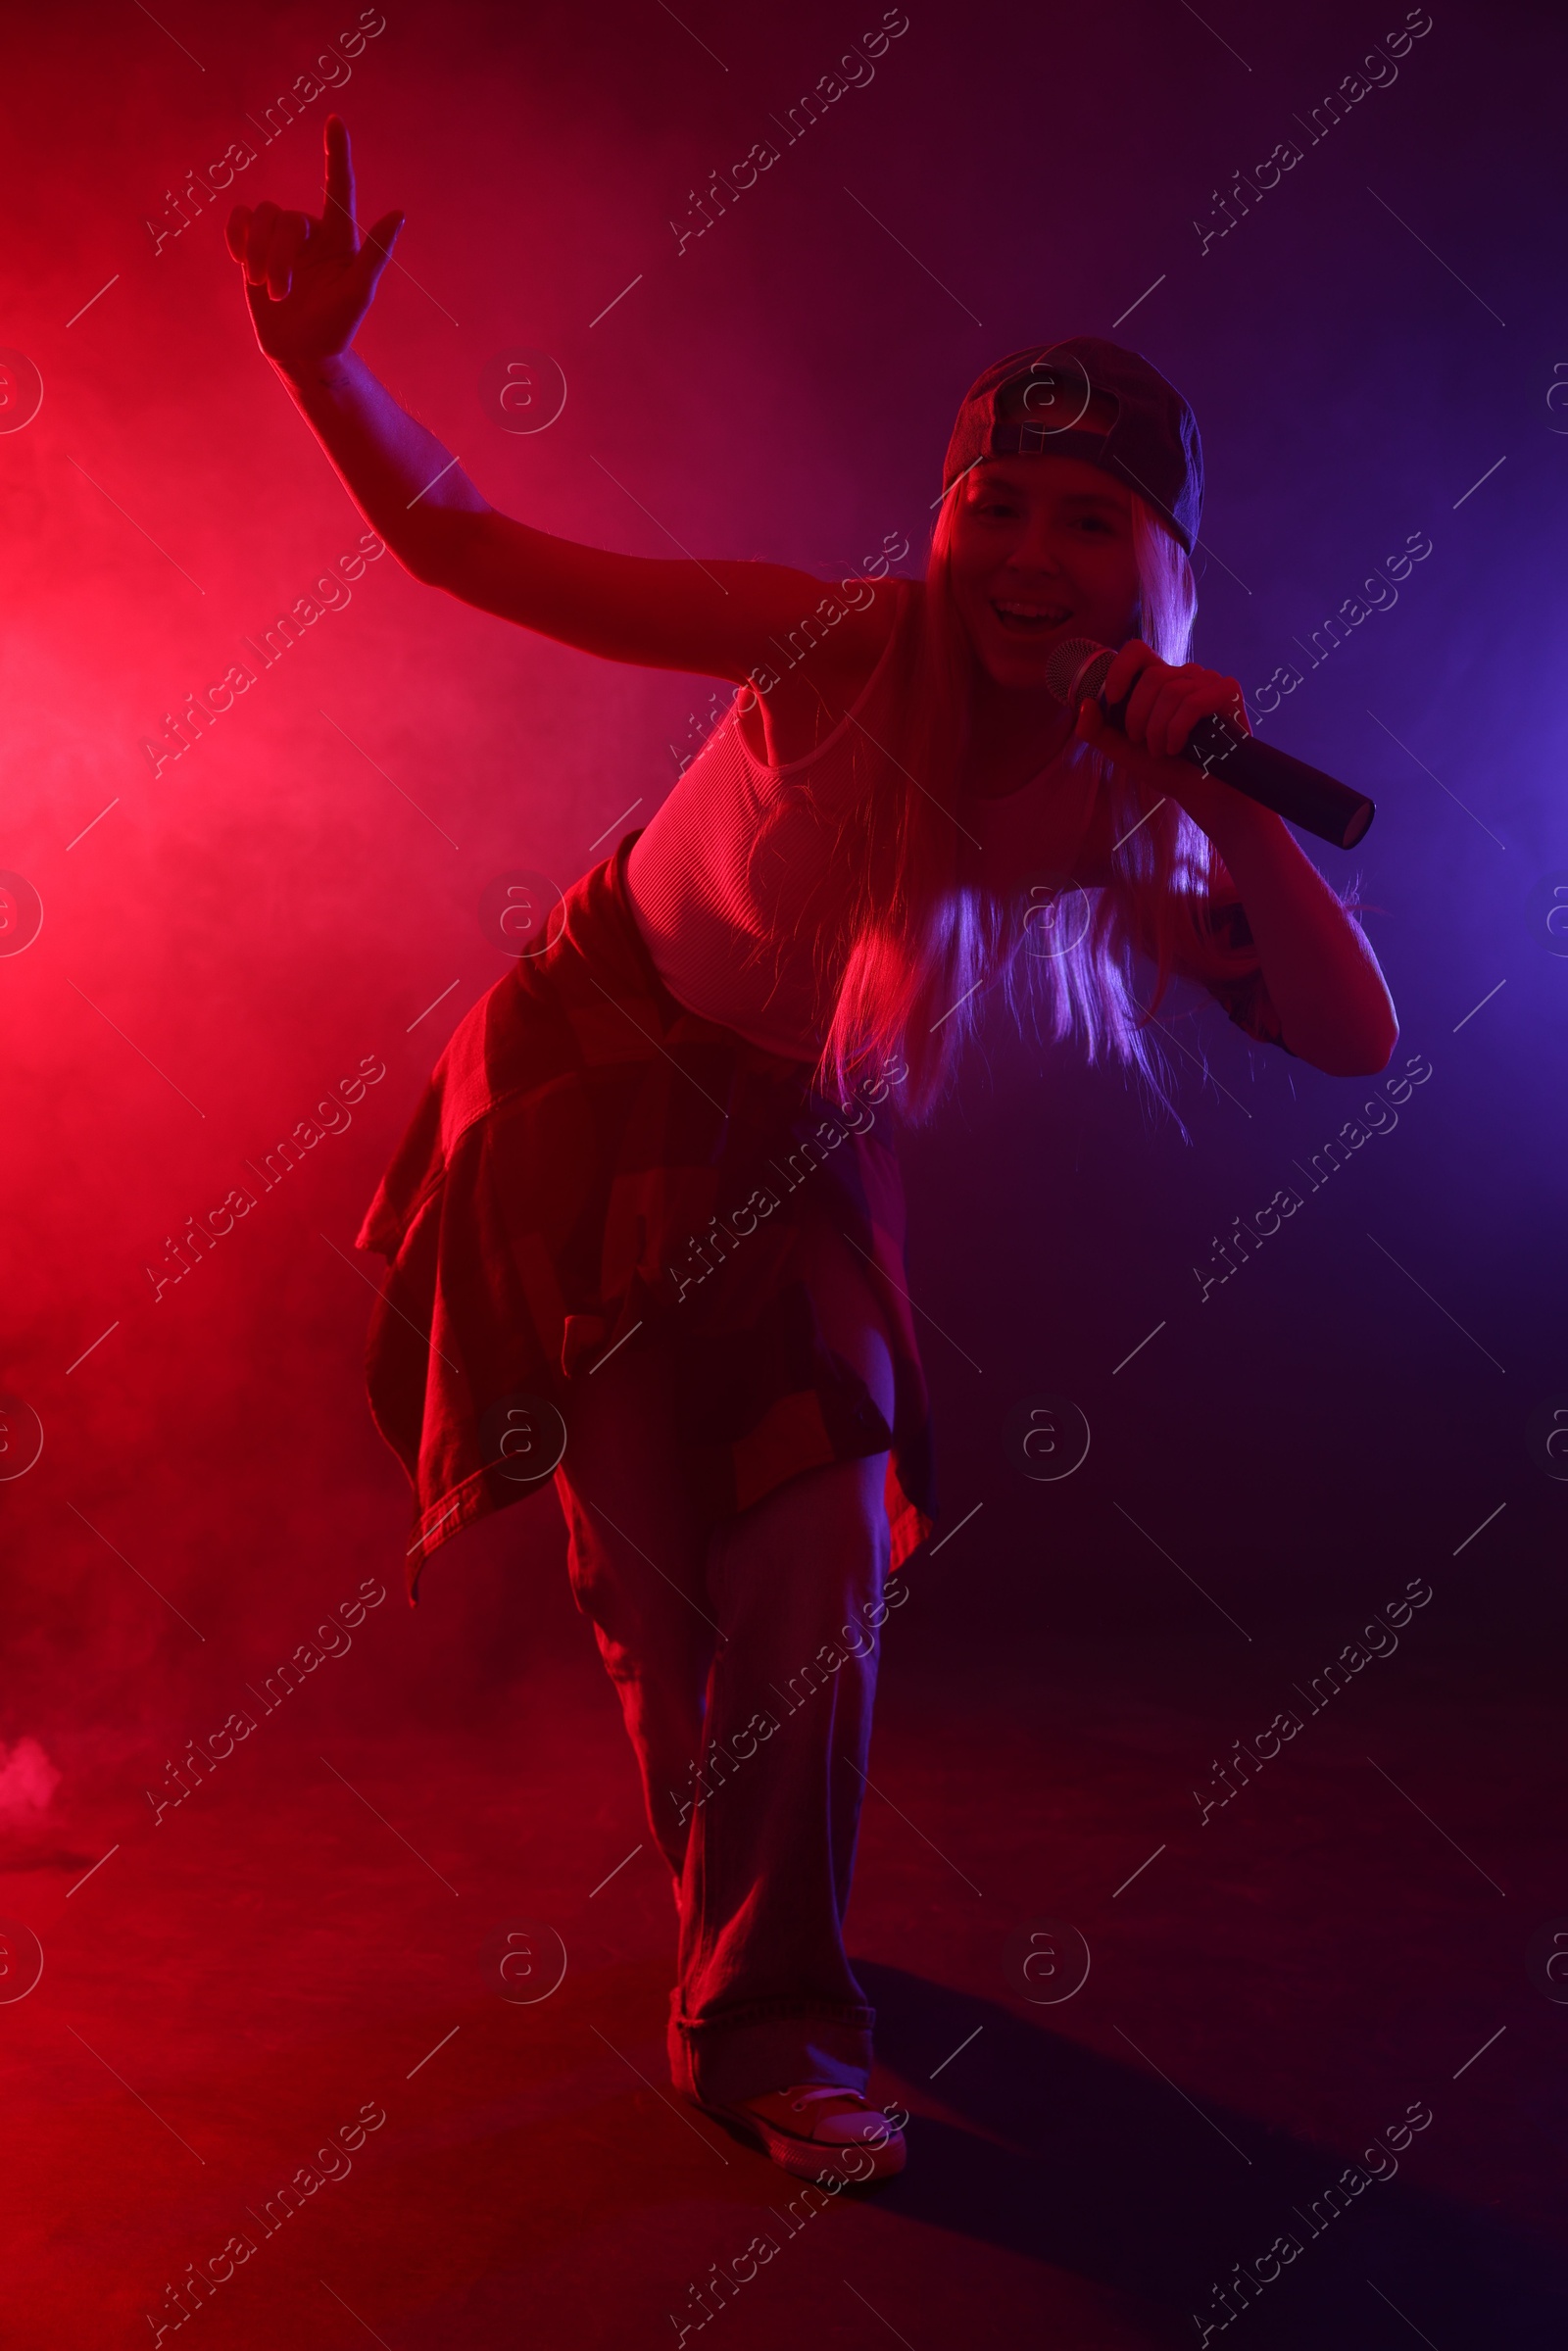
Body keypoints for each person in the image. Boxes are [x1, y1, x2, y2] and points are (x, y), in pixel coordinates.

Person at [225, 118, 1397, 2186]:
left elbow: (1348, 1033)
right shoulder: (832, 639)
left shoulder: (1132, 788)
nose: (1031, 555)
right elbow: (471, 550)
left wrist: (1220, 790)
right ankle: (737, 1938)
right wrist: (327, 362)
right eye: (995, 506)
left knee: (815, 1580)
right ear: (942, 521)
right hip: (589, 1086)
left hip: (794, 1144)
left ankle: (761, 2021)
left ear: (1159, 566)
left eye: (1088, 522)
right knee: (664, 1624)